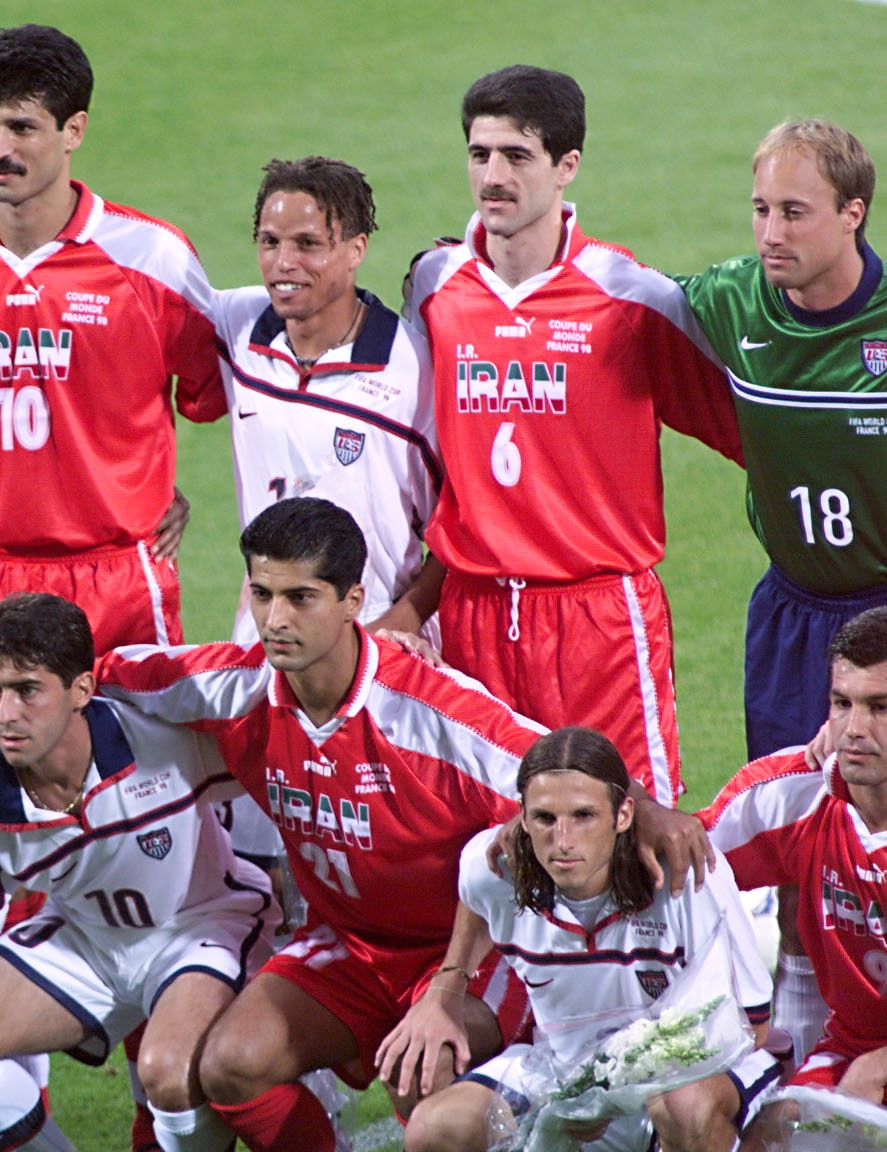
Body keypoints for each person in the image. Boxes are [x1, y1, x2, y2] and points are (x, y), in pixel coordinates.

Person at [71, 497, 713, 1152]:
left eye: (300, 597)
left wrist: (652, 809)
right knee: (230, 1063)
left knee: (423, 1073)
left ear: (353, 600)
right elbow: (89, 677)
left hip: (470, 951)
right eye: (261, 594)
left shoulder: (426, 712)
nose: (273, 619)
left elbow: (555, 763)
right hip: (349, 943)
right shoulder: (231, 685)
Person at [404, 65, 742, 806]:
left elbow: (748, 425)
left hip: (600, 622)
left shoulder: (628, 297)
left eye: (515, 156)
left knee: (631, 836)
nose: (492, 176)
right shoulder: (433, 287)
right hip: (473, 613)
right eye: (478, 154)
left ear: (566, 167)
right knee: (489, 839)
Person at [0, 23, 225, 720]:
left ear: (74, 130)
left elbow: (219, 392)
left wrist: (152, 485)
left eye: (22, 127)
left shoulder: (150, 259)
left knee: (149, 793)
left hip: (119, 577)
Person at [0, 593, 277, 1152]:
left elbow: (281, 750)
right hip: (88, 941)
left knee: (168, 1069)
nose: (5, 714)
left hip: (200, 926)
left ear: (82, 691)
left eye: (27, 691)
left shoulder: (161, 734)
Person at [675, 117, 886, 1074]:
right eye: (759, 209)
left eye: (793, 212)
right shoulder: (730, 302)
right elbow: (615, 302)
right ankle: (806, 1029)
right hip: (792, 613)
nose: (769, 233)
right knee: (802, 824)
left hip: (880, 615)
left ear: (852, 213)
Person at [388, 727, 778, 1152]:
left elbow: (751, 1028)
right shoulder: (494, 869)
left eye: (583, 816)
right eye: (544, 818)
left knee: (686, 1108)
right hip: (565, 1076)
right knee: (433, 1128)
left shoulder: (688, 872)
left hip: (689, 1076)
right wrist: (444, 991)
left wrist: (619, 1092)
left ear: (624, 815)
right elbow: (477, 896)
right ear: (521, 817)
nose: (563, 841)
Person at [212, 155, 441, 642]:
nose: (283, 263)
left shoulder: (411, 372)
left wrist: (395, 629)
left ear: (356, 249)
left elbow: (460, 532)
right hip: (265, 638)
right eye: (270, 242)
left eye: (308, 244)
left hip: (376, 639)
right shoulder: (235, 328)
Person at [701, 607, 887, 1146]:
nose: (853, 729)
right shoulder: (797, 796)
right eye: (841, 704)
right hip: (850, 1051)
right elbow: (676, 869)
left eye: (880, 707)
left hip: (869, 1067)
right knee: (774, 1132)